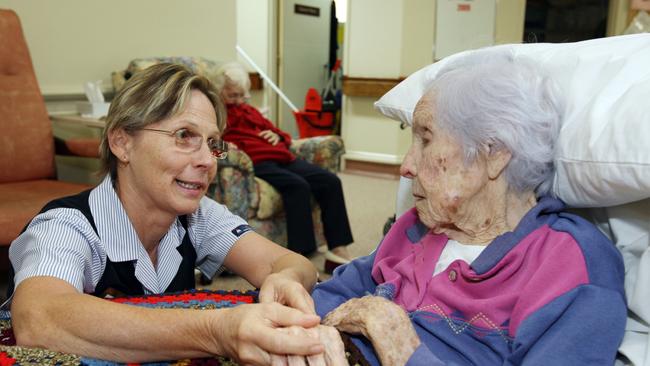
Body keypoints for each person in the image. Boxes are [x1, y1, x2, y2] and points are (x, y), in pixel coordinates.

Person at [4, 63, 344, 365]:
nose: (208, 161)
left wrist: (285, 280)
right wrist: (215, 331)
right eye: (184, 136)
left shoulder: (199, 215)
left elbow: (291, 263)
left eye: (213, 143)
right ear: (121, 143)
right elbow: (39, 318)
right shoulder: (65, 226)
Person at [311, 49, 627, 365]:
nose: (406, 166)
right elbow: (328, 297)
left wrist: (401, 347)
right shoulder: (416, 226)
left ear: (494, 153)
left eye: (425, 139)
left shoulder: (570, 263)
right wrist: (319, 330)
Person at [214, 62, 354, 272]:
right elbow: (210, 144)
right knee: (297, 186)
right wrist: (228, 148)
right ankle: (299, 255)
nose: (238, 101)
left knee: (329, 181)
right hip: (255, 161)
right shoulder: (216, 113)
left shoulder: (250, 110)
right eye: (232, 95)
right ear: (218, 92)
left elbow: (282, 135)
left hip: (281, 155)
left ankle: (337, 250)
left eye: (242, 95)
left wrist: (276, 135)